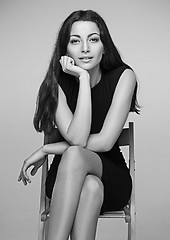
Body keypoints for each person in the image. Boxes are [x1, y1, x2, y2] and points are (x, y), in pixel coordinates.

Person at [18, 9, 140, 240]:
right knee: (90, 186)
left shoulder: (124, 77)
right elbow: (78, 138)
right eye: (75, 41)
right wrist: (83, 79)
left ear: (105, 46)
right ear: (65, 50)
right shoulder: (55, 84)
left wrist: (47, 148)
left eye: (93, 39)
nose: (85, 48)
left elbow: (103, 143)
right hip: (66, 176)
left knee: (75, 155)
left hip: (110, 174)